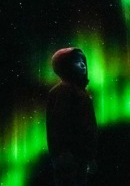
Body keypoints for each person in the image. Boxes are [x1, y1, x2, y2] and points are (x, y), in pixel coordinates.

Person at [46, 47, 98, 185]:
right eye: (76, 61)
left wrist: (89, 157)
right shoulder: (64, 91)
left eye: (83, 61)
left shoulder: (81, 92)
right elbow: (59, 124)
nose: (82, 64)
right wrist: (62, 153)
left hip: (80, 156)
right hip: (69, 157)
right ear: (64, 66)